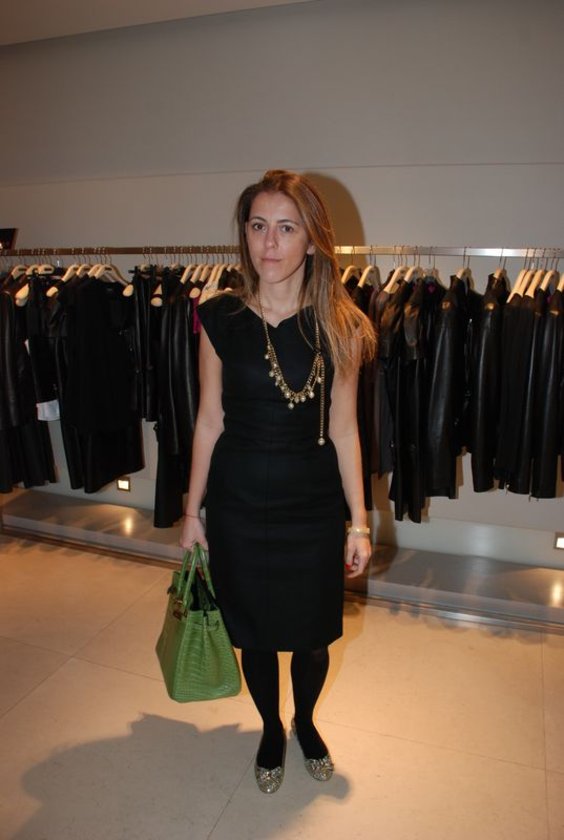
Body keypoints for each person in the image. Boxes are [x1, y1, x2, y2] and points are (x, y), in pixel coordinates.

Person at [180, 169, 376, 794]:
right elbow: (208, 421)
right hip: (238, 505)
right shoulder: (218, 318)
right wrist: (191, 512)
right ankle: (270, 727)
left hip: (311, 505)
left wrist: (359, 522)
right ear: (244, 234)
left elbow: (345, 430)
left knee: (313, 638)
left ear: (313, 240)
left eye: (287, 228)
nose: (270, 243)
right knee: (257, 636)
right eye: (259, 226)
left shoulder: (341, 325)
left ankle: (305, 721)